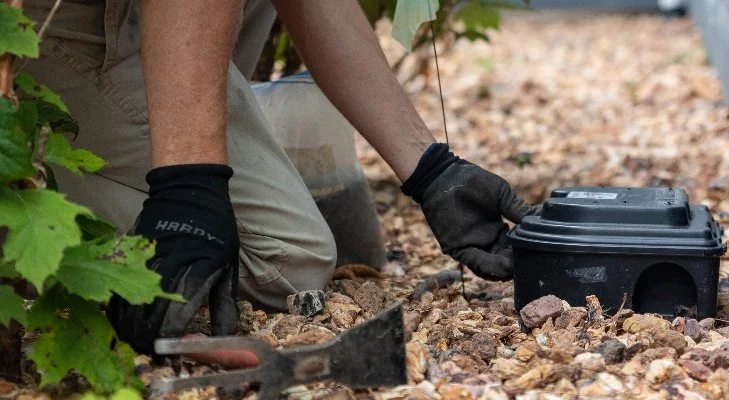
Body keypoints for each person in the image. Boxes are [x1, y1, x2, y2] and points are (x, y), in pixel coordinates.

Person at [21, 0, 536, 355]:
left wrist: (432, 170)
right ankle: (26, 220)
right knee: (285, 263)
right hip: (49, 22)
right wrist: (188, 184)